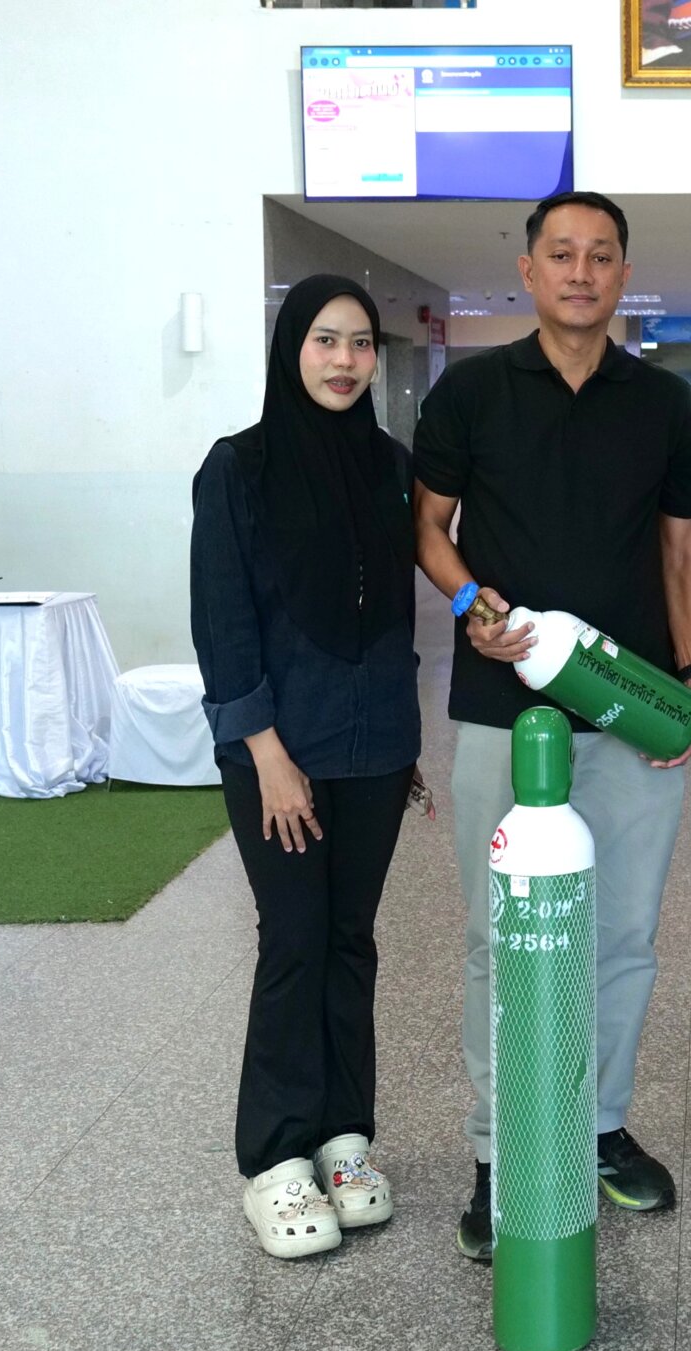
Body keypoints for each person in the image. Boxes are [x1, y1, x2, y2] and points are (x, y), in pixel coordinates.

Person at [413, 190, 691, 1262]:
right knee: (497, 936)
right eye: (561, 254)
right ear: (528, 270)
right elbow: (428, 526)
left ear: (623, 274)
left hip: (629, 708)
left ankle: (596, 1125)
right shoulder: (470, 391)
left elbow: (679, 552)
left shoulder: (661, 402)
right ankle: (500, 1149)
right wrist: (469, 602)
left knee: (623, 933)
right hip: (503, 709)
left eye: (600, 256)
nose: (580, 272)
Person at [189, 274, 425, 1261]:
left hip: (374, 747)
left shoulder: (390, 466)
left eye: (361, 343)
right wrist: (265, 753)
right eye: (325, 339)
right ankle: (276, 1157)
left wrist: (401, 743)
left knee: (349, 939)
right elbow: (223, 621)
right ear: (292, 347)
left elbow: (394, 610)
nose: (344, 360)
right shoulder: (237, 468)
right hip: (278, 752)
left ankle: (342, 1137)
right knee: (293, 939)